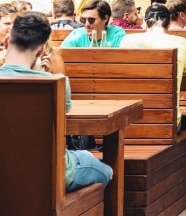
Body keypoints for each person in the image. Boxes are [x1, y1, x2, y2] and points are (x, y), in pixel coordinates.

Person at [0, 11, 112, 192]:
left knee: (83, 156)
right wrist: (42, 73)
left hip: (5, 169)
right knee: (105, 170)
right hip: (50, 169)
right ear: (42, 50)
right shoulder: (57, 82)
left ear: (6, 42)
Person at [120, 4, 186, 128]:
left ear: (146, 21)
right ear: (168, 22)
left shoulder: (126, 40)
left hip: (127, 121)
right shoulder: (181, 43)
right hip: (166, 123)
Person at [60, 0, 126, 48]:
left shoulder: (117, 34)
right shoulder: (76, 34)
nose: (86, 24)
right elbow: (62, 56)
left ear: (105, 18)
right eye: (83, 20)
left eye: (91, 20)